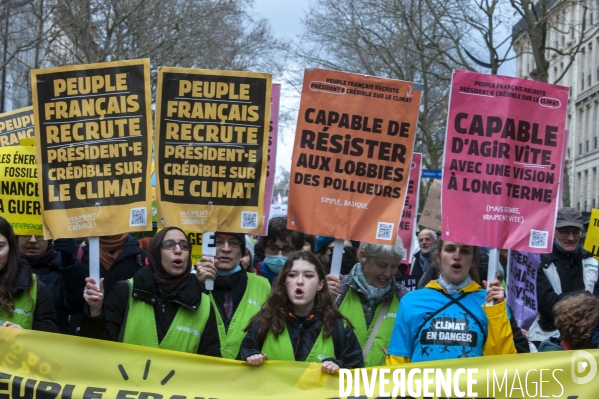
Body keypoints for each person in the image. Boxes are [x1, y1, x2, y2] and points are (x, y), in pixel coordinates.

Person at [81, 227, 220, 356]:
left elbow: (210, 364)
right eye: (169, 245)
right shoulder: (125, 291)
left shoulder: (204, 304)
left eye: (184, 246)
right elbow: (98, 349)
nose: (178, 250)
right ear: (155, 252)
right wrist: (95, 312)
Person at [386, 240, 516, 363]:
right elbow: (398, 362)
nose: (457, 256)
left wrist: (497, 311)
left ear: (473, 261)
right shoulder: (411, 301)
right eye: (450, 249)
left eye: (465, 251)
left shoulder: (490, 302)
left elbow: (501, 365)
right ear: (438, 257)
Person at [239, 251, 363, 372]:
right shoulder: (265, 321)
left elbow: (356, 373)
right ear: (284, 282)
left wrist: (339, 366)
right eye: (292, 275)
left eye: (308, 276)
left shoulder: (338, 327)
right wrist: (250, 356)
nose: (299, 281)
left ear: (320, 285)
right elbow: (241, 367)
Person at [333, 237, 409, 367]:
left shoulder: (404, 297)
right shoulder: (338, 290)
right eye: (382, 265)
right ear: (363, 257)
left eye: (394, 266)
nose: (388, 273)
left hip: (384, 384)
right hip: (339, 383)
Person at [529, 207, 599, 345]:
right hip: (546, 339)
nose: (571, 237)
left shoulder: (592, 263)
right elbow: (548, 305)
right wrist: (586, 300)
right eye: (565, 232)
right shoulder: (538, 261)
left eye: (575, 232)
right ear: (553, 231)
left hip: (587, 338)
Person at [195, 232, 270, 359]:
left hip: (246, 374)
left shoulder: (264, 285)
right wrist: (199, 285)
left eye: (234, 243)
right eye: (218, 242)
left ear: (242, 252)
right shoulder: (192, 282)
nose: (226, 249)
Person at [17, 234, 86, 333]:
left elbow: (76, 306)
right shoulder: (5, 268)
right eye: (26, 235)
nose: (32, 240)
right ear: (16, 239)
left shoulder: (63, 266)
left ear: (49, 240)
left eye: (40, 235)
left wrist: (69, 263)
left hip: (51, 345)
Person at [0, 217, 58, 332]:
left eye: (0, 246)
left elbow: (48, 344)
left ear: (11, 248)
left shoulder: (37, 290)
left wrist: (26, 338)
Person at [256, 217, 305, 283]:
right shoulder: (251, 281)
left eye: (287, 250)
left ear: (297, 251)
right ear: (264, 249)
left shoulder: (303, 283)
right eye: (273, 248)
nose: (279, 255)